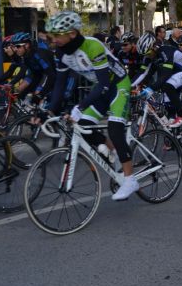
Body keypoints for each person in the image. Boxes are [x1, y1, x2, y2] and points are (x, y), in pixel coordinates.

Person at [43, 11, 136, 201]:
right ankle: (113, 149)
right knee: (84, 126)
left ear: (71, 34)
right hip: (100, 89)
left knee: (115, 128)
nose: (53, 40)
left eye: (56, 35)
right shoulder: (61, 53)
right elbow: (59, 84)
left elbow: (103, 84)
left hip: (117, 85)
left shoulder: (92, 46)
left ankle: (130, 179)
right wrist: (49, 110)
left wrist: (80, 106)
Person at [133, 32, 182, 128]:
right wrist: (130, 86)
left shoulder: (165, 51)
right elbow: (143, 73)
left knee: (167, 85)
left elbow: (165, 76)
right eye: (144, 55)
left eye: (148, 53)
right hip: (176, 74)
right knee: (167, 103)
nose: (147, 56)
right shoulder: (149, 56)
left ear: (154, 47)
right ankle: (172, 135)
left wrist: (150, 89)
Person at [12, 32, 56, 105]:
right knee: (27, 98)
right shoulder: (26, 57)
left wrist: (41, 94)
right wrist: (23, 93)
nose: (16, 49)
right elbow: (36, 76)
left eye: (18, 46)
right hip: (45, 76)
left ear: (27, 45)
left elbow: (51, 75)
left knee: (40, 99)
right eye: (14, 47)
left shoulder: (37, 55)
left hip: (56, 75)